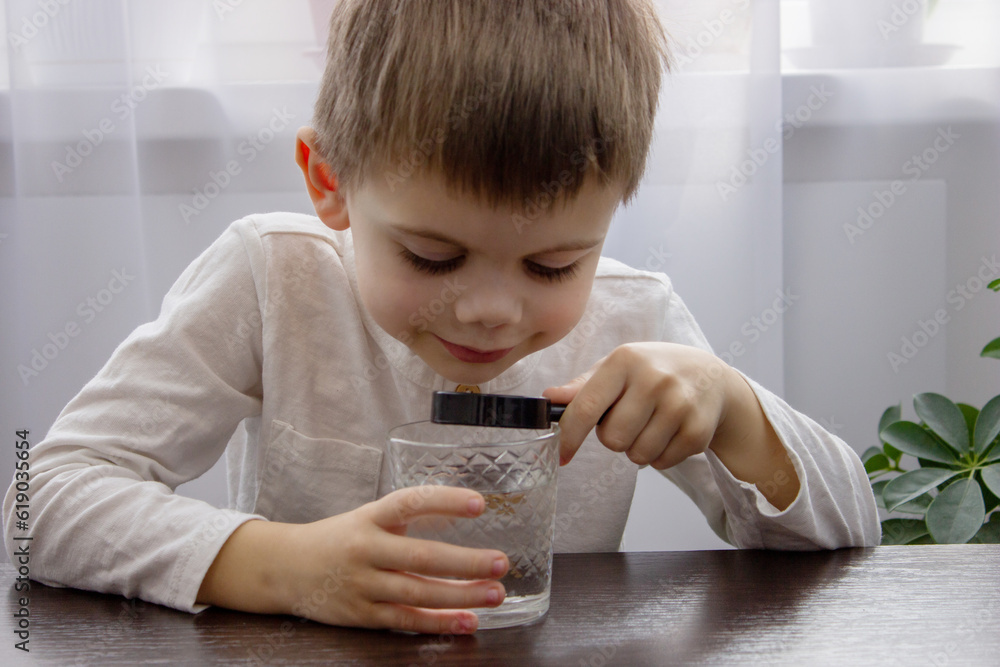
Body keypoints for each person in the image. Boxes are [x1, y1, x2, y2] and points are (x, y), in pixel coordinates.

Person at [3, 0, 879, 636]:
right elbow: (38, 502)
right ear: (329, 183)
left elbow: (854, 529)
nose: (494, 311)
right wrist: (283, 565)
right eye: (432, 256)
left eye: (553, 265)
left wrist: (733, 412)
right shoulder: (272, 276)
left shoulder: (633, 316)